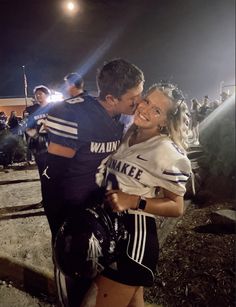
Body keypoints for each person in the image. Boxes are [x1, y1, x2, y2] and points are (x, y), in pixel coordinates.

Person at [76, 82, 192, 306]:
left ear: (165, 121)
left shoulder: (166, 151)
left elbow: (177, 207)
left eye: (156, 110)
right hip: (111, 229)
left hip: (134, 238)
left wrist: (134, 201)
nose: (145, 109)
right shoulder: (129, 133)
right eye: (147, 101)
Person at [42, 58, 144, 306]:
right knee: (77, 285)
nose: (138, 102)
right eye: (133, 98)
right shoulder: (73, 115)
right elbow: (51, 176)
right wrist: (62, 226)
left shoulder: (121, 117)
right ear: (111, 98)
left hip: (101, 210)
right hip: (75, 215)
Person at [25, 85, 51, 179]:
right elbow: (27, 128)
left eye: (40, 93)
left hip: (54, 143)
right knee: (44, 173)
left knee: (56, 172)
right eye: (36, 94)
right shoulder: (31, 110)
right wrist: (37, 137)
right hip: (40, 145)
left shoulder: (55, 107)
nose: (38, 96)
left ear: (47, 95)